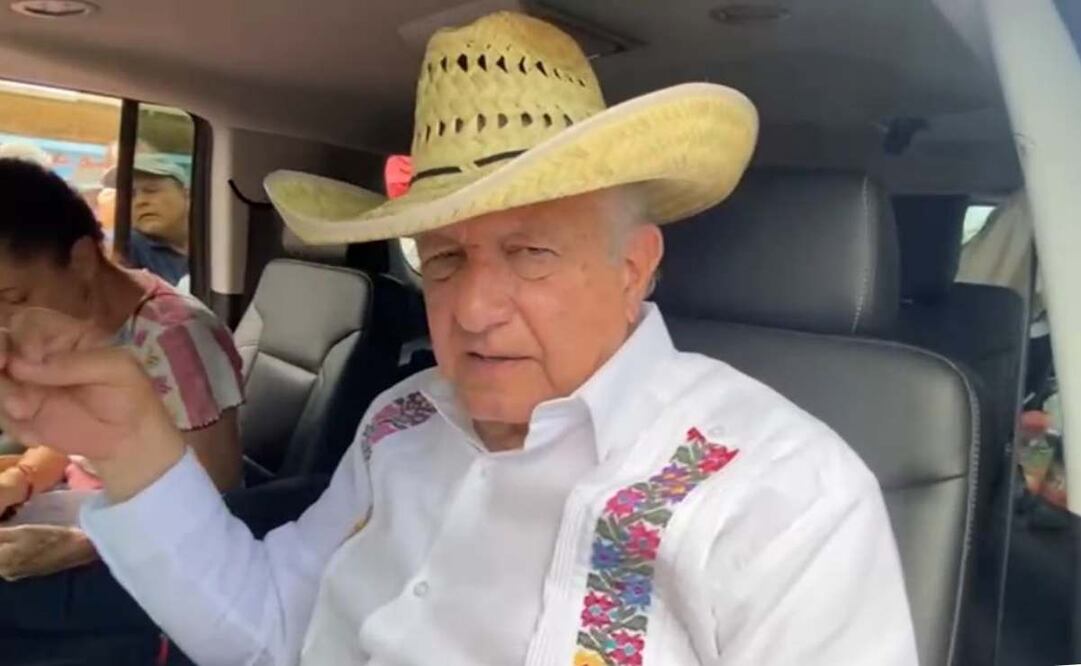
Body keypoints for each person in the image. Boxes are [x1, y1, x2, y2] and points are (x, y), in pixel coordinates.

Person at [0, 12, 917, 666]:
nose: (473, 308)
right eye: (443, 259)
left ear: (635, 267)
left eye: (529, 252)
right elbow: (274, 630)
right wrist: (124, 442)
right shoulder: (401, 420)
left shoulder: (779, 492)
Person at [0, 157, 243, 580]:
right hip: (80, 504)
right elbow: (81, 438)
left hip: (145, 554)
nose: (5, 321)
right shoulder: (78, 322)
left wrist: (84, 546)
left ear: (80, 260)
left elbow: (216, 496)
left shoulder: (175, 342)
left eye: (14, 297)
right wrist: (22, 479)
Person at [104, 153, 191, 285]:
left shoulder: (219, 243)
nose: (140, 202)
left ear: (187, 195)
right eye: (131, 195)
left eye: (151, 190)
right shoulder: (127, 245)